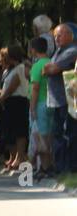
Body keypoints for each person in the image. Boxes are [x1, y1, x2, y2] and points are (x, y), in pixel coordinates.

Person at [41, 22, 77, 175]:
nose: (57, 38)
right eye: (55, 36)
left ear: (71, 36)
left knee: (68, 134)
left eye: (60, 35)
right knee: (57, 134)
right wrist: (50, 68)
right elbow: (45, 70)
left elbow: (53, 68)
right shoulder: (58, 52)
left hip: (67, 101)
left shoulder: (72, 50)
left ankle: (68, 167)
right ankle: (60, 167)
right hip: (55, 100)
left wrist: (51, 68)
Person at [0, 45, 31, 173]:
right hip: (9, 102)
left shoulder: (20, 68)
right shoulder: (8, 71)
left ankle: (20, 157)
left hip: (18, 102)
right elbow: (6, 88)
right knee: (9, 131)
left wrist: (2, 97)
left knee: (19, 129)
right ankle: (13, 156)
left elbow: (12, 87)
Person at [28, 36, 54, 178]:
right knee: (49, 134)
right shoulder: (51, 62)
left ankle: (45, 167)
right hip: (51, 102)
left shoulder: (37, 66)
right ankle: (47, 166)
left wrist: (32, 107)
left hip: (40, 104)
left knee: (41, 136)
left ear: (33, 50)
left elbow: (35, 88)